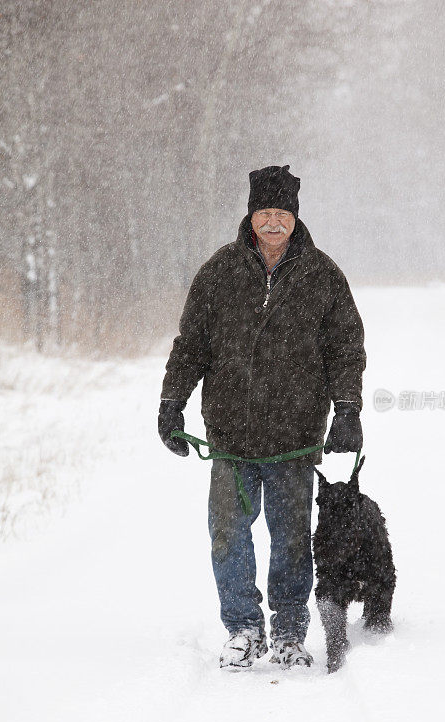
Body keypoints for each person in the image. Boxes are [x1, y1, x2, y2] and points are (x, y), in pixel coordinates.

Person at [158, 165, 366, 669]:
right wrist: (171, 403)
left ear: (294, 217)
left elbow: (345, 347)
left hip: (295, 437)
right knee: (228, 535)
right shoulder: (219, 271)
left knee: (293, 538)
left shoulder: (322, 274)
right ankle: (244, 629)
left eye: (281, 214)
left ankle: (291, 633)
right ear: (251, 216)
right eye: (264, 213)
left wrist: (348, 410)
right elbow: (191, 346)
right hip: (231, 436)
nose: (273, 222)